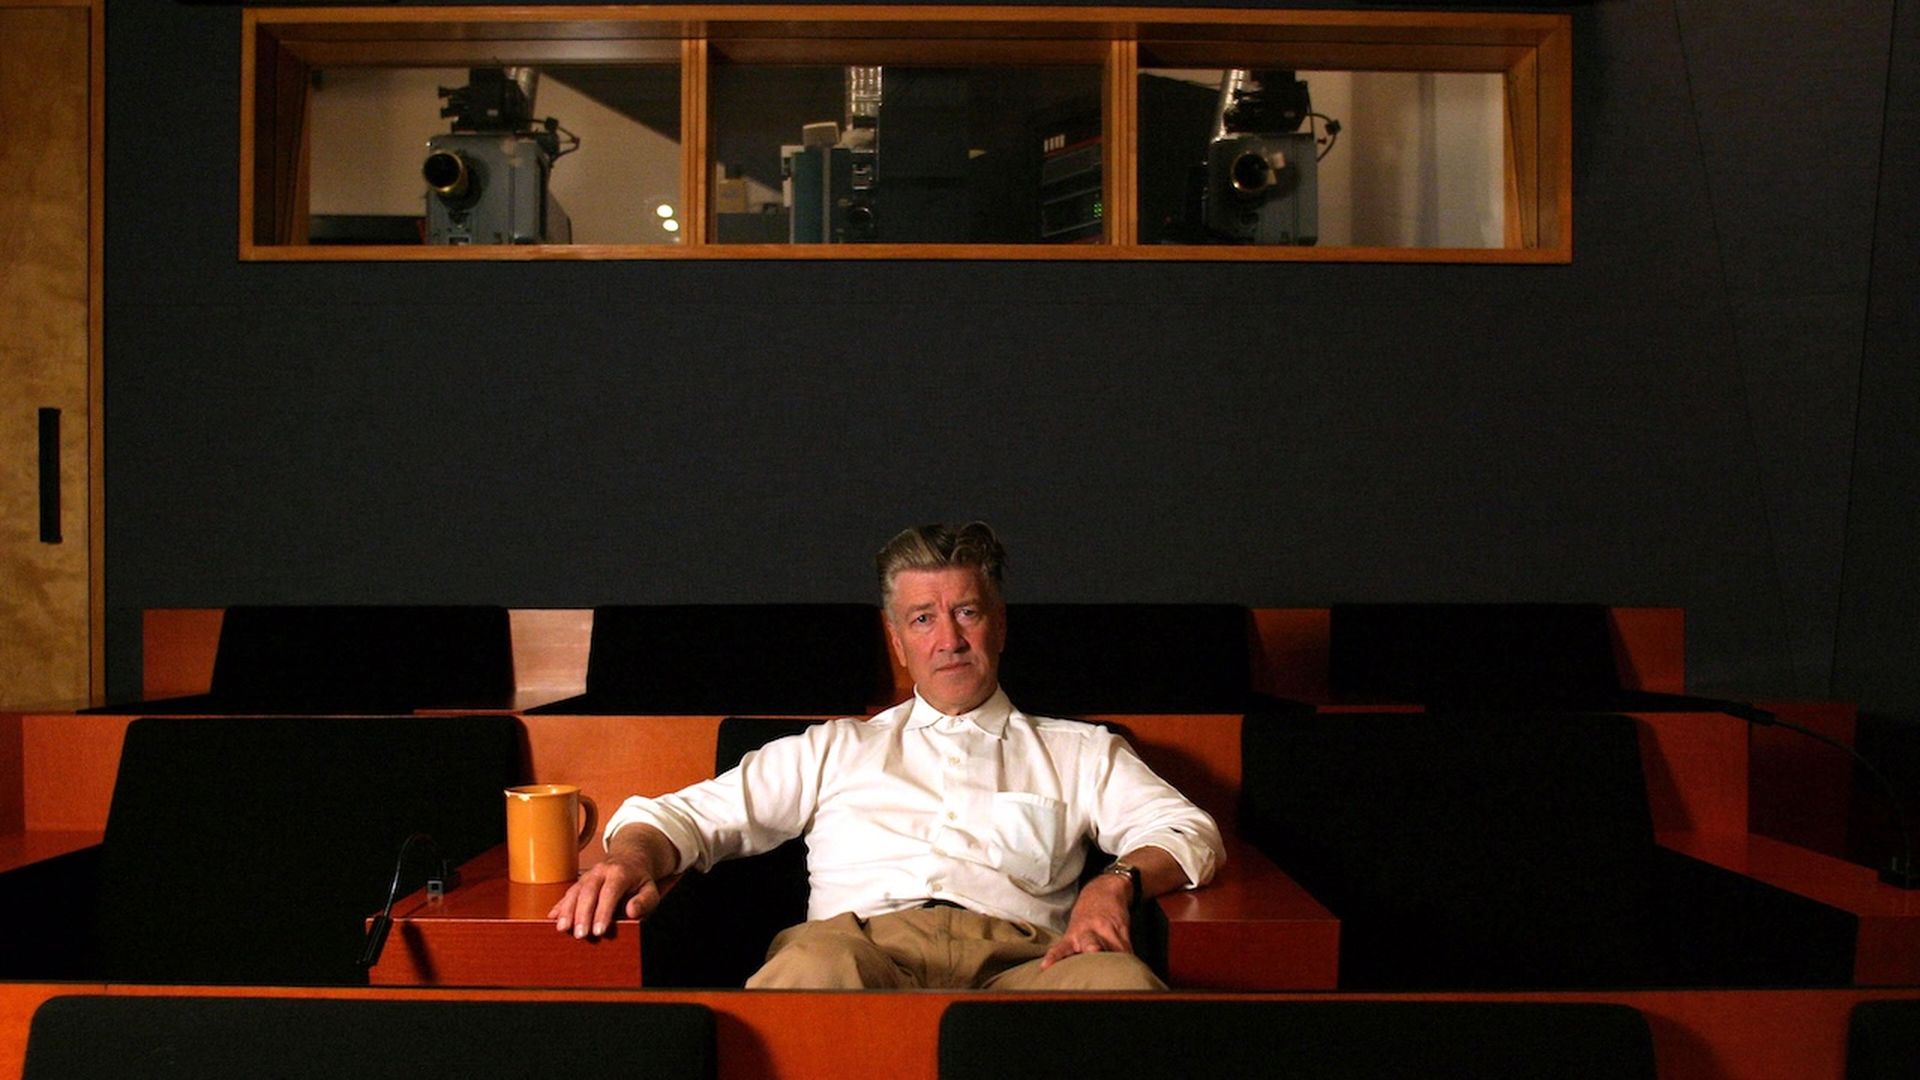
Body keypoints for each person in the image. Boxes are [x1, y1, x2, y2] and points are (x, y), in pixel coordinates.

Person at [549, 522, 1224, 989]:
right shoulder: (835, 748)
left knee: (1122, 986)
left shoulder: (1080, 751)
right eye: (923, 619)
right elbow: (682, 819)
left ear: (1001, 623)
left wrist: (1115, 883)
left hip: (1028, 962)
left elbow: (1188, 831)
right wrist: (631, 858)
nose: (949, 640)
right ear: (896, 640)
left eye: (968, 611)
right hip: (857, 951)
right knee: (804, 974)